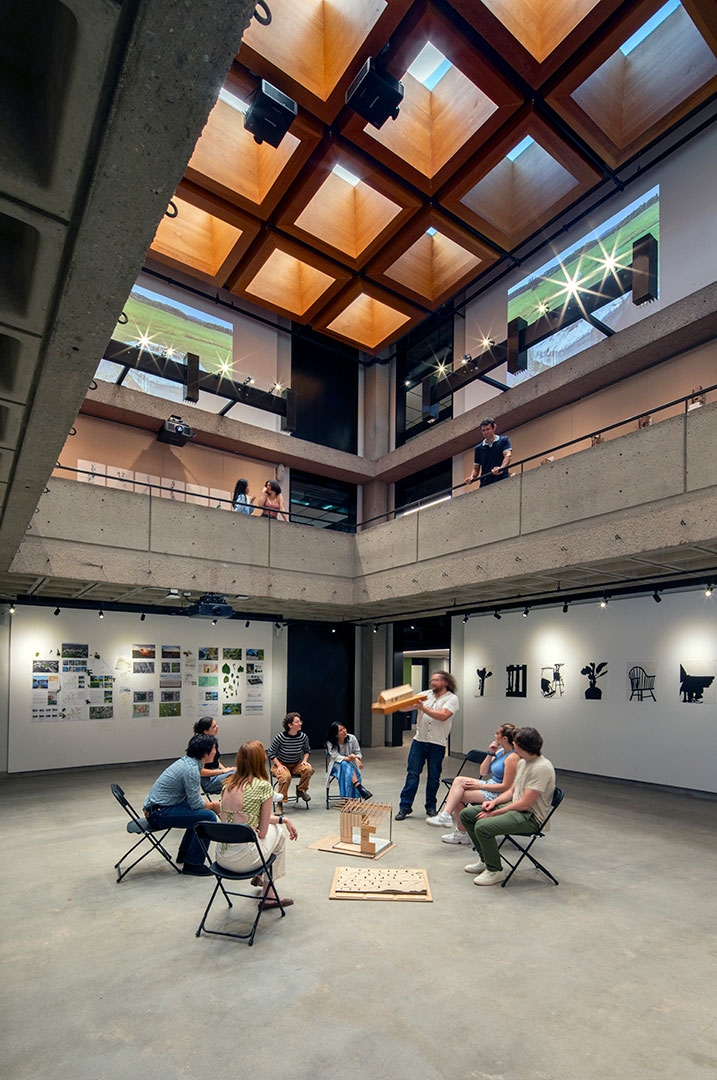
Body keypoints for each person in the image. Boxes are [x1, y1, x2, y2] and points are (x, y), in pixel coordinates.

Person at [460, 726, 555, 886]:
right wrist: (495, 802)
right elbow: (512, 790)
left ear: (521, 745)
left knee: (483, 826)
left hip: (529, 817)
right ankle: (485, 860)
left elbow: (525, 803)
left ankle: (495, 870)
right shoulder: (523, 762)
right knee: (467, 815)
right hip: (514, 807)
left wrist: (495, 813)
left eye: (516, 742)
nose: (513, 744)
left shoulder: (541, 768)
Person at [215, 740, 298, 908]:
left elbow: (251, 818)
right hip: (244, 861)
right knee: (279, 834)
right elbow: (262, 831)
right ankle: (269, 894)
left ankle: (262, 877)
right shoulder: (263, 787)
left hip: (221, 859)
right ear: (260, 760)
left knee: (274, 826)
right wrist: (281, 822)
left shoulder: (227, 785)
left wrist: (284, 819)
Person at [426, 723, 517, 844]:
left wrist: (481, 786)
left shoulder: (513, 758)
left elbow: (506, 787)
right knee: (458, 781)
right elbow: (483, 771)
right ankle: (446, 816)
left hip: (498, 793)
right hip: (489, 784)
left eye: (497, 733)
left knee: (457, 797)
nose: (495, 735)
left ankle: (459, 831)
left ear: (504, 738)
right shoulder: (501, 752)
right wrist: (490, 753)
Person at [143, 733, 220, 876]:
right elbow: (196, 804)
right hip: (158, 813)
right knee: (208, 817)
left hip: (157, 809)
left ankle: (185, 854)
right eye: (214, 748)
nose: (216, 752)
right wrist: (214, 805)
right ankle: (193, 864)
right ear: (205, 752)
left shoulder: (188, 763)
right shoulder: (191, 770)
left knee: (198, 815)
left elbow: (193, 804)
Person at [395, 671, 459, 821]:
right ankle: (405, 807)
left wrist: (422, 708)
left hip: (437, 743)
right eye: (432, 680)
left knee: (433, 777)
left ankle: (430, 807)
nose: (432, 682)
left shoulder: (452, 699)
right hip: (419, 740)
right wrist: (399, 703)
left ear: (446, 682)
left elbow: (443, 716)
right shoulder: (425, 694)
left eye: (436, 680)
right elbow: (405, 708)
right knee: (412, 774)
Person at [267, 711, 314, 802]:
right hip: (282, 764)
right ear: (290, 725)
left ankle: (300, 790)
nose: (300, 723)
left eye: (300, 721)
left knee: (308, 769)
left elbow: (307, 750)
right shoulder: (280, 737)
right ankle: (280, 802)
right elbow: (271, 752)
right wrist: (279, 765)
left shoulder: (303, 737)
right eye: (297, 722)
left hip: (296, 764)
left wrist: (304, 760)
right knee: (285, 777)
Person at [326, 721, 372, 800]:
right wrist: (350, 758)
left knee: (345, 767)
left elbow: (358, 753)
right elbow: (335, 756)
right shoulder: (330, 742)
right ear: (335, 734)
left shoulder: (352, 738)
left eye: (344, 728)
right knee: (344, 764)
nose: (344, 731)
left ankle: (347, 798)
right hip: (336, 766)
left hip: (350, 765)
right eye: (340, 730)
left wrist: (356, 758)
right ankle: (359, 787)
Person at [193, 716, 235, 794]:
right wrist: (222, 772)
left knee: (237, 771)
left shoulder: (213, 742)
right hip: (209, 781)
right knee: (239, 775)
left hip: (216, 774)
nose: (217, 727)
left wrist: (227, 770)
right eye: (214, 726)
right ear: (206, 731)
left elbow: (217, 762)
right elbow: (199, 771)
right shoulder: (201, 745)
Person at [466, 418, 512, 487]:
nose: (486, 432)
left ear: (494, 428)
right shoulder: (478, 448)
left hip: (502, 480)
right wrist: (472, 477)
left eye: (488, 429)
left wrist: (501, 468)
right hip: (485, 483)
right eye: (483, 430)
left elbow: (508, 455)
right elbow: (476, 468)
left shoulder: (504, 440)